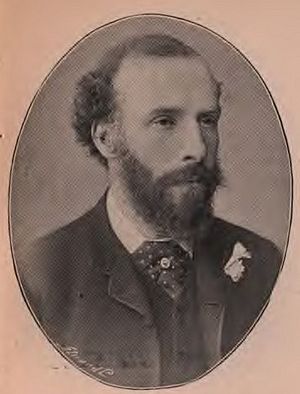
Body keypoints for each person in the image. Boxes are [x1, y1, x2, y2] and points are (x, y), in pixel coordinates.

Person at [19, 34, 282, 388]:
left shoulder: (264, 265)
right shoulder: (40, 276)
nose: (196, 149)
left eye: (207, 120)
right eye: (165, 122)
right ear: (106, 138)